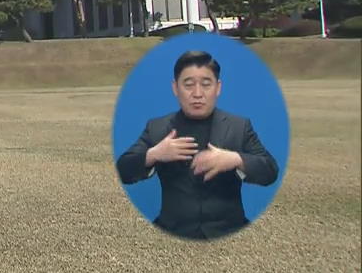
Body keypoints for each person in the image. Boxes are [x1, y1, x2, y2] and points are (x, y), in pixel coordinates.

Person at [116, 50, 279, 240]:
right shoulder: (157, 128)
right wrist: (153, 154)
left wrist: (235, 159)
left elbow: (270, 171)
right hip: (172, 232)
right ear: (175, 88)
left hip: (231, 231)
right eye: (189, 85)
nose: (198, 94)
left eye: (206, 84)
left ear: (218, 88)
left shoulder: (239, 127)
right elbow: (123, 170)